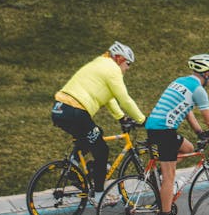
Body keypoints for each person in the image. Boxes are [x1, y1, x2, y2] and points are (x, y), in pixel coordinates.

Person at [51, 41, 146, 203]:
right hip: (75, 111)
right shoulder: (112, 69)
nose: (128, 68)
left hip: (59, 109)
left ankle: (74, 166)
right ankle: (99, 195)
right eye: (127, 63)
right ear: (118, 58)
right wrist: (142, 119)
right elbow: (125, 99)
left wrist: (121, 117)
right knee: (102, 151)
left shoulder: (99, 64)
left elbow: (109, 97)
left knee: (96, 133)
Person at [145, 54, 209, 215]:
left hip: (154, 126)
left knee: (187, 148)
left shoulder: (181, 81)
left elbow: (187, 111)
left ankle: (159, 177)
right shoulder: (198, 90)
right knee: (170, 175)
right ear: (206, 73)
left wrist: (199, 132)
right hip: (165, 130)